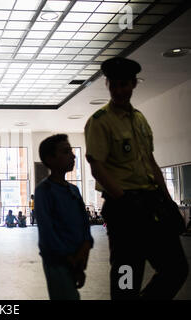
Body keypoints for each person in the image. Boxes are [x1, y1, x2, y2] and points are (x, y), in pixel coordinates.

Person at [84, 56, 188, 300]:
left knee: (176, 268)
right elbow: (97, 167)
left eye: (124, 84)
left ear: (134, 84)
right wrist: (124, 201)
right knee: (127, 275)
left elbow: (150, 162)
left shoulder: (140, 119)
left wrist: (168, 200)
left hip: (152, 204)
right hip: (124, 210)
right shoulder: (100, 122)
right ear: (107, 84)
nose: (119, 90)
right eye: (114, 84)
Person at [35, 134, 94, 300]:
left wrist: (84, 249)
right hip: (57, 262)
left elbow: (85, 224)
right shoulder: (44, 191)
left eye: (71, 151)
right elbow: (47, 232)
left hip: (77, 259)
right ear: (50, 159)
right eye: (66, 151)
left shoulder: (74, 190)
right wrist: (69, 259)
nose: (73, 155)